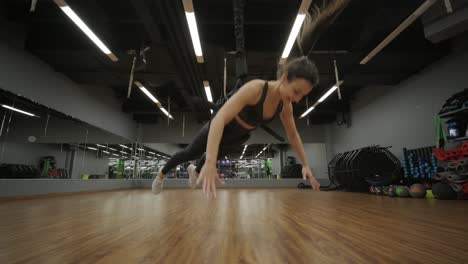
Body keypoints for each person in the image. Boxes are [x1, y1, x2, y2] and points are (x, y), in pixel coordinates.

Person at [152, 56, 321, 197]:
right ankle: (161, 175)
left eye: (303, 95)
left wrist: (305, 164)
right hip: (223, 125)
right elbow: (220, 118)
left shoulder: (285, 105)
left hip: (240, 136)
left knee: (209, 158)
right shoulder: (256, 89)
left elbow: (293, 135)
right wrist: (211, 162)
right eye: (296, 91)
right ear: (284, 78)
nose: (298, 99)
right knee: (191, 152)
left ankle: (194, 171)